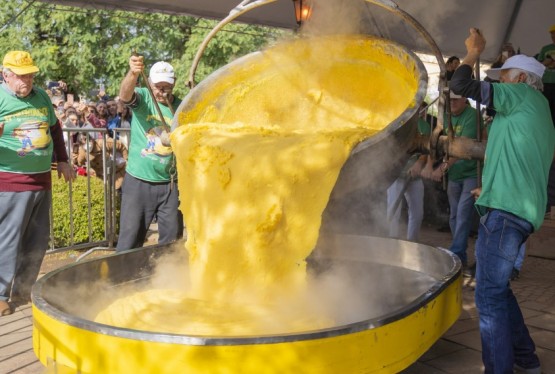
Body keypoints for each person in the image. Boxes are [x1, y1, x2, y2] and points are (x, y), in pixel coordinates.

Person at [451, 28, 555, 373]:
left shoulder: (523, 96)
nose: (499, 85)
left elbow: (461, 85)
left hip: (507, 214)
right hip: (514, 208)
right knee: (499, 291)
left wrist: (473, 53)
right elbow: (519, 159)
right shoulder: (536, 112)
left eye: (504, 77)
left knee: (488, 298)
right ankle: (527, 361)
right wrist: (490, 188)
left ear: (523, 79)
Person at [0, 51, 75, 316]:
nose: (27, 80)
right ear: (6, 75)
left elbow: (54, 129)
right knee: (8, 240)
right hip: (10, 180)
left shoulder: (41, 96)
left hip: (41, 179)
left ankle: (23, 288)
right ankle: (0, 293)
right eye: (21, 76)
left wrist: (63, 160)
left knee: (37, 239)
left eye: (30, 74)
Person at [116, 56, 182, 251]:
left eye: (166, 87)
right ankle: (125, 279)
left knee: (172, 241)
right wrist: (133, 73)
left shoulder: (181, 107)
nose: (161, 92)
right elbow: (125, 96)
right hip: (139, 181)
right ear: (150, 83)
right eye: (157, 86)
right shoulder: (144, 97)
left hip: (170, 184)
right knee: (130, 239)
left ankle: (166, 278)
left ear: (174, 84)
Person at [425, 92, 482, 269]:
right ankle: (461, 255)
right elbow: (436, 141)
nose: (453, 102)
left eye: (456, 99)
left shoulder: (472, 116)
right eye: (450, 100)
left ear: (466, 99)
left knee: (463, 214)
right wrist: (430, 164)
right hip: (455, 174)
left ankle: (456, 253)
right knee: (455, 215)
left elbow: (463, 147)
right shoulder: (447, 117)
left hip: (471, 173)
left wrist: (442, 167)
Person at [386, 103, 430, 241]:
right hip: (395, 176)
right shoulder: (397, 124)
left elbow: (427, 149)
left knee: (417, 213)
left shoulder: (424, 126)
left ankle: (412, 241)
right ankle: (391, 241)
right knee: (393, 212)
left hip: (414, 176)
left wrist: (419, 163)